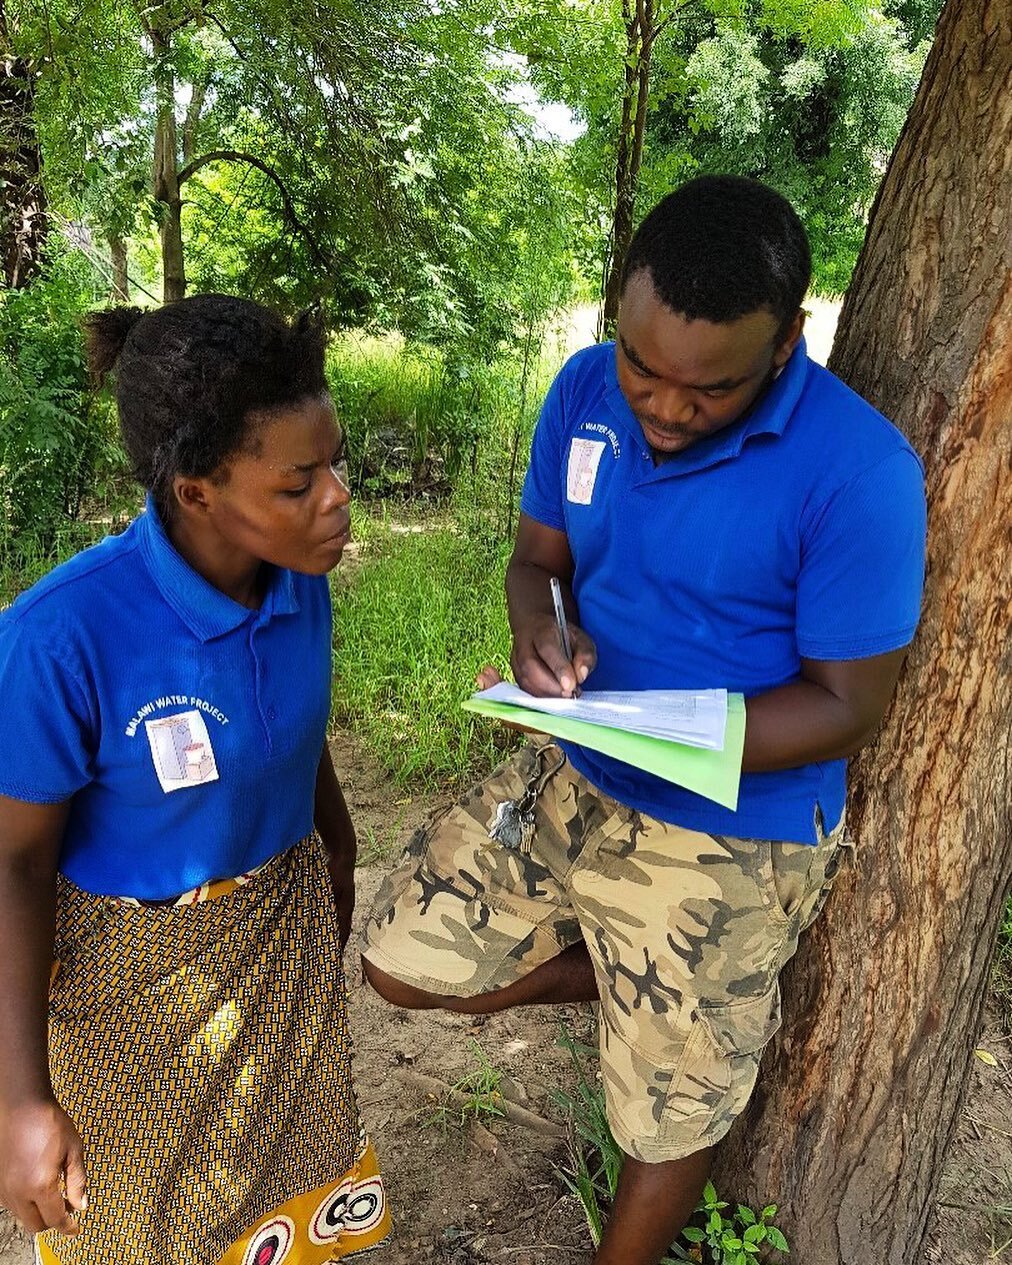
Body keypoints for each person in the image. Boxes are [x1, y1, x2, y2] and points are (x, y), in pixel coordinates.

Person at [361, 176, 927, 1264]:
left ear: (783, 345)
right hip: (575, 770)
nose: (660, 410)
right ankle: (637, 990)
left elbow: (850, 706)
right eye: (641, 368)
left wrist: (673, 733)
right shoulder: (582, 392)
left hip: (736, 821)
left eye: (704, 391)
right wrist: (542, 632)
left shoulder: (858, 473)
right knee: (398, 962)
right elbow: (539, 563)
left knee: (666, 1115)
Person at [0, 295, 391, 1264]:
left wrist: (335, 849)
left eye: (335, 462)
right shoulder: (66, 636)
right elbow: (13, 864)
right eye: (299, 482)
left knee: (269, 1209)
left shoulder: (298, 580)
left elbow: (288, 725)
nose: (338, 496)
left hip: (279, 959)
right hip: (132, 998)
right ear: (197, 491)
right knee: (141, 1231)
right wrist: (18, 1098)